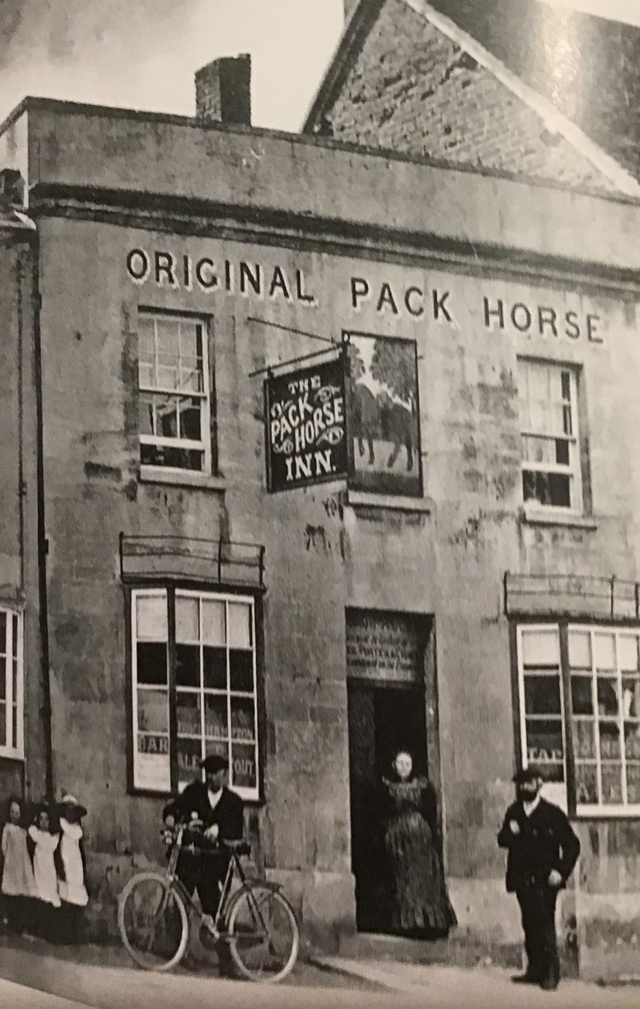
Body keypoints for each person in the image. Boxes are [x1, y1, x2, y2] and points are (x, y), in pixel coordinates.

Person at [498, 767, 580, 992]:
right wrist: (510, 832)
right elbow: (502, 839)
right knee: (529, 923)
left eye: (529, 783)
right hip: (522, 877)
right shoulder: (514, 811)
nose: (524, 787)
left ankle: (551, 973)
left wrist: (561, 871)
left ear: (539, 784)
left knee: (544, 923)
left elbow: (572, 845)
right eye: (521, 784)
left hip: (545, 879)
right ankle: (534, 970)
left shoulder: (552, 813)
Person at [380, 750, 457, 938]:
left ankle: (427, 923)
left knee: (422, 879)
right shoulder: (386, 786)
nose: (404, 767)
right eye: (400, 763)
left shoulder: (423, 786)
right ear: (393, 765)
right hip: (398, 840)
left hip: (420, 841)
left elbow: (431, 812)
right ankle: (405, 923)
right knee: (402, 880)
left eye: (407, 763)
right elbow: (381, 812)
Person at [163, 754, 244, 923]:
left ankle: (222, 942)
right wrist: (170, 818)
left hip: (214, 864)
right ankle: (178, 946)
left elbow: (236, 831)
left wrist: (218, 829)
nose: (210, 777)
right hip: (189, 861)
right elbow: (174, 808)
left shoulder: (233, 802)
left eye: (215, 773)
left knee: (213, 911)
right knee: (179, 904)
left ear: (224, 774)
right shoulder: (194, 792)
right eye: (208, 772)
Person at [1, 796, 37, 934]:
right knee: (11, 890)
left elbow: (26, 847)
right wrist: (9, 859)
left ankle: (20, 922)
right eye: (12, 812)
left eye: (17, 813)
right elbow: (4, 846)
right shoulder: (8, 828)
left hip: (22, 864)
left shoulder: (23, 831)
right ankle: (10, 920)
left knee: (21, 891)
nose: (14, 816)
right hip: (11, 863)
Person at [56, 794, 88, 945]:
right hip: (65, 865)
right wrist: (60, 868)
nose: (71, 815)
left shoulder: (78, 831)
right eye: (68, 812)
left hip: (76, 867)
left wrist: (84, 870)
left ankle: (76, 935)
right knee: (65, 900)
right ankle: (64, 935)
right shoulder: (61, 827)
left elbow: (81, 852)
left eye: (73, 812)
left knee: (77, 901)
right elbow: (56, 849)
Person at [28, 805, 61, 940]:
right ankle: (39, 929)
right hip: (39, 871)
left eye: (46, 819)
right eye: (40, 819)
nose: (43, 822)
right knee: (40, 897)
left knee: (50, 898)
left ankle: (50, 931)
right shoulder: (35, 834)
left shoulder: (52, 839)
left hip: (49, 872)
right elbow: (31, 829)